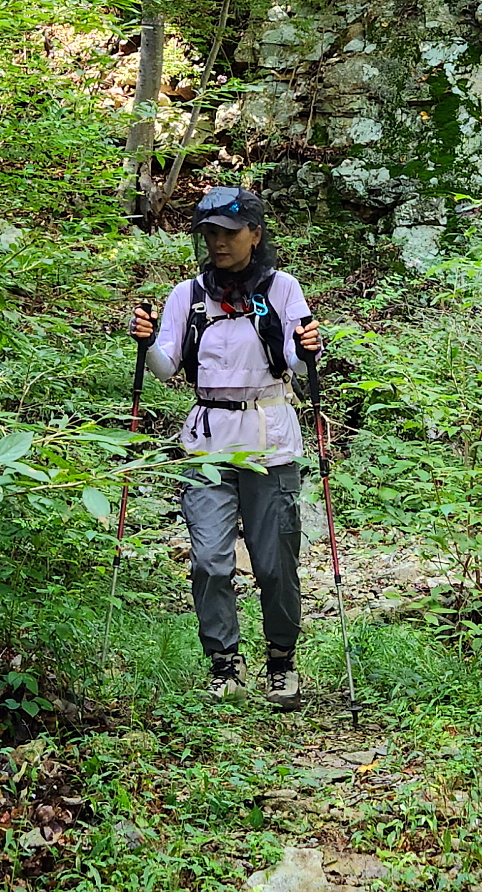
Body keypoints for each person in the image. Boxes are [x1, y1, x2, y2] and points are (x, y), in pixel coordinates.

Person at [129, 184, 323, 707]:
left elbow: (297, 360)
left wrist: (307, 347)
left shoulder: (282, 288)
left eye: (229, 233)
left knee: (275, 564)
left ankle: (281, 661)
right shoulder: (187, 295)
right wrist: (145, 342)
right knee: (209, 561)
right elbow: (166, 366)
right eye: (210, 233)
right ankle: (224, 663)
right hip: (207, 446)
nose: (218, 242)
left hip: (271, 443)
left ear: (254, 235)